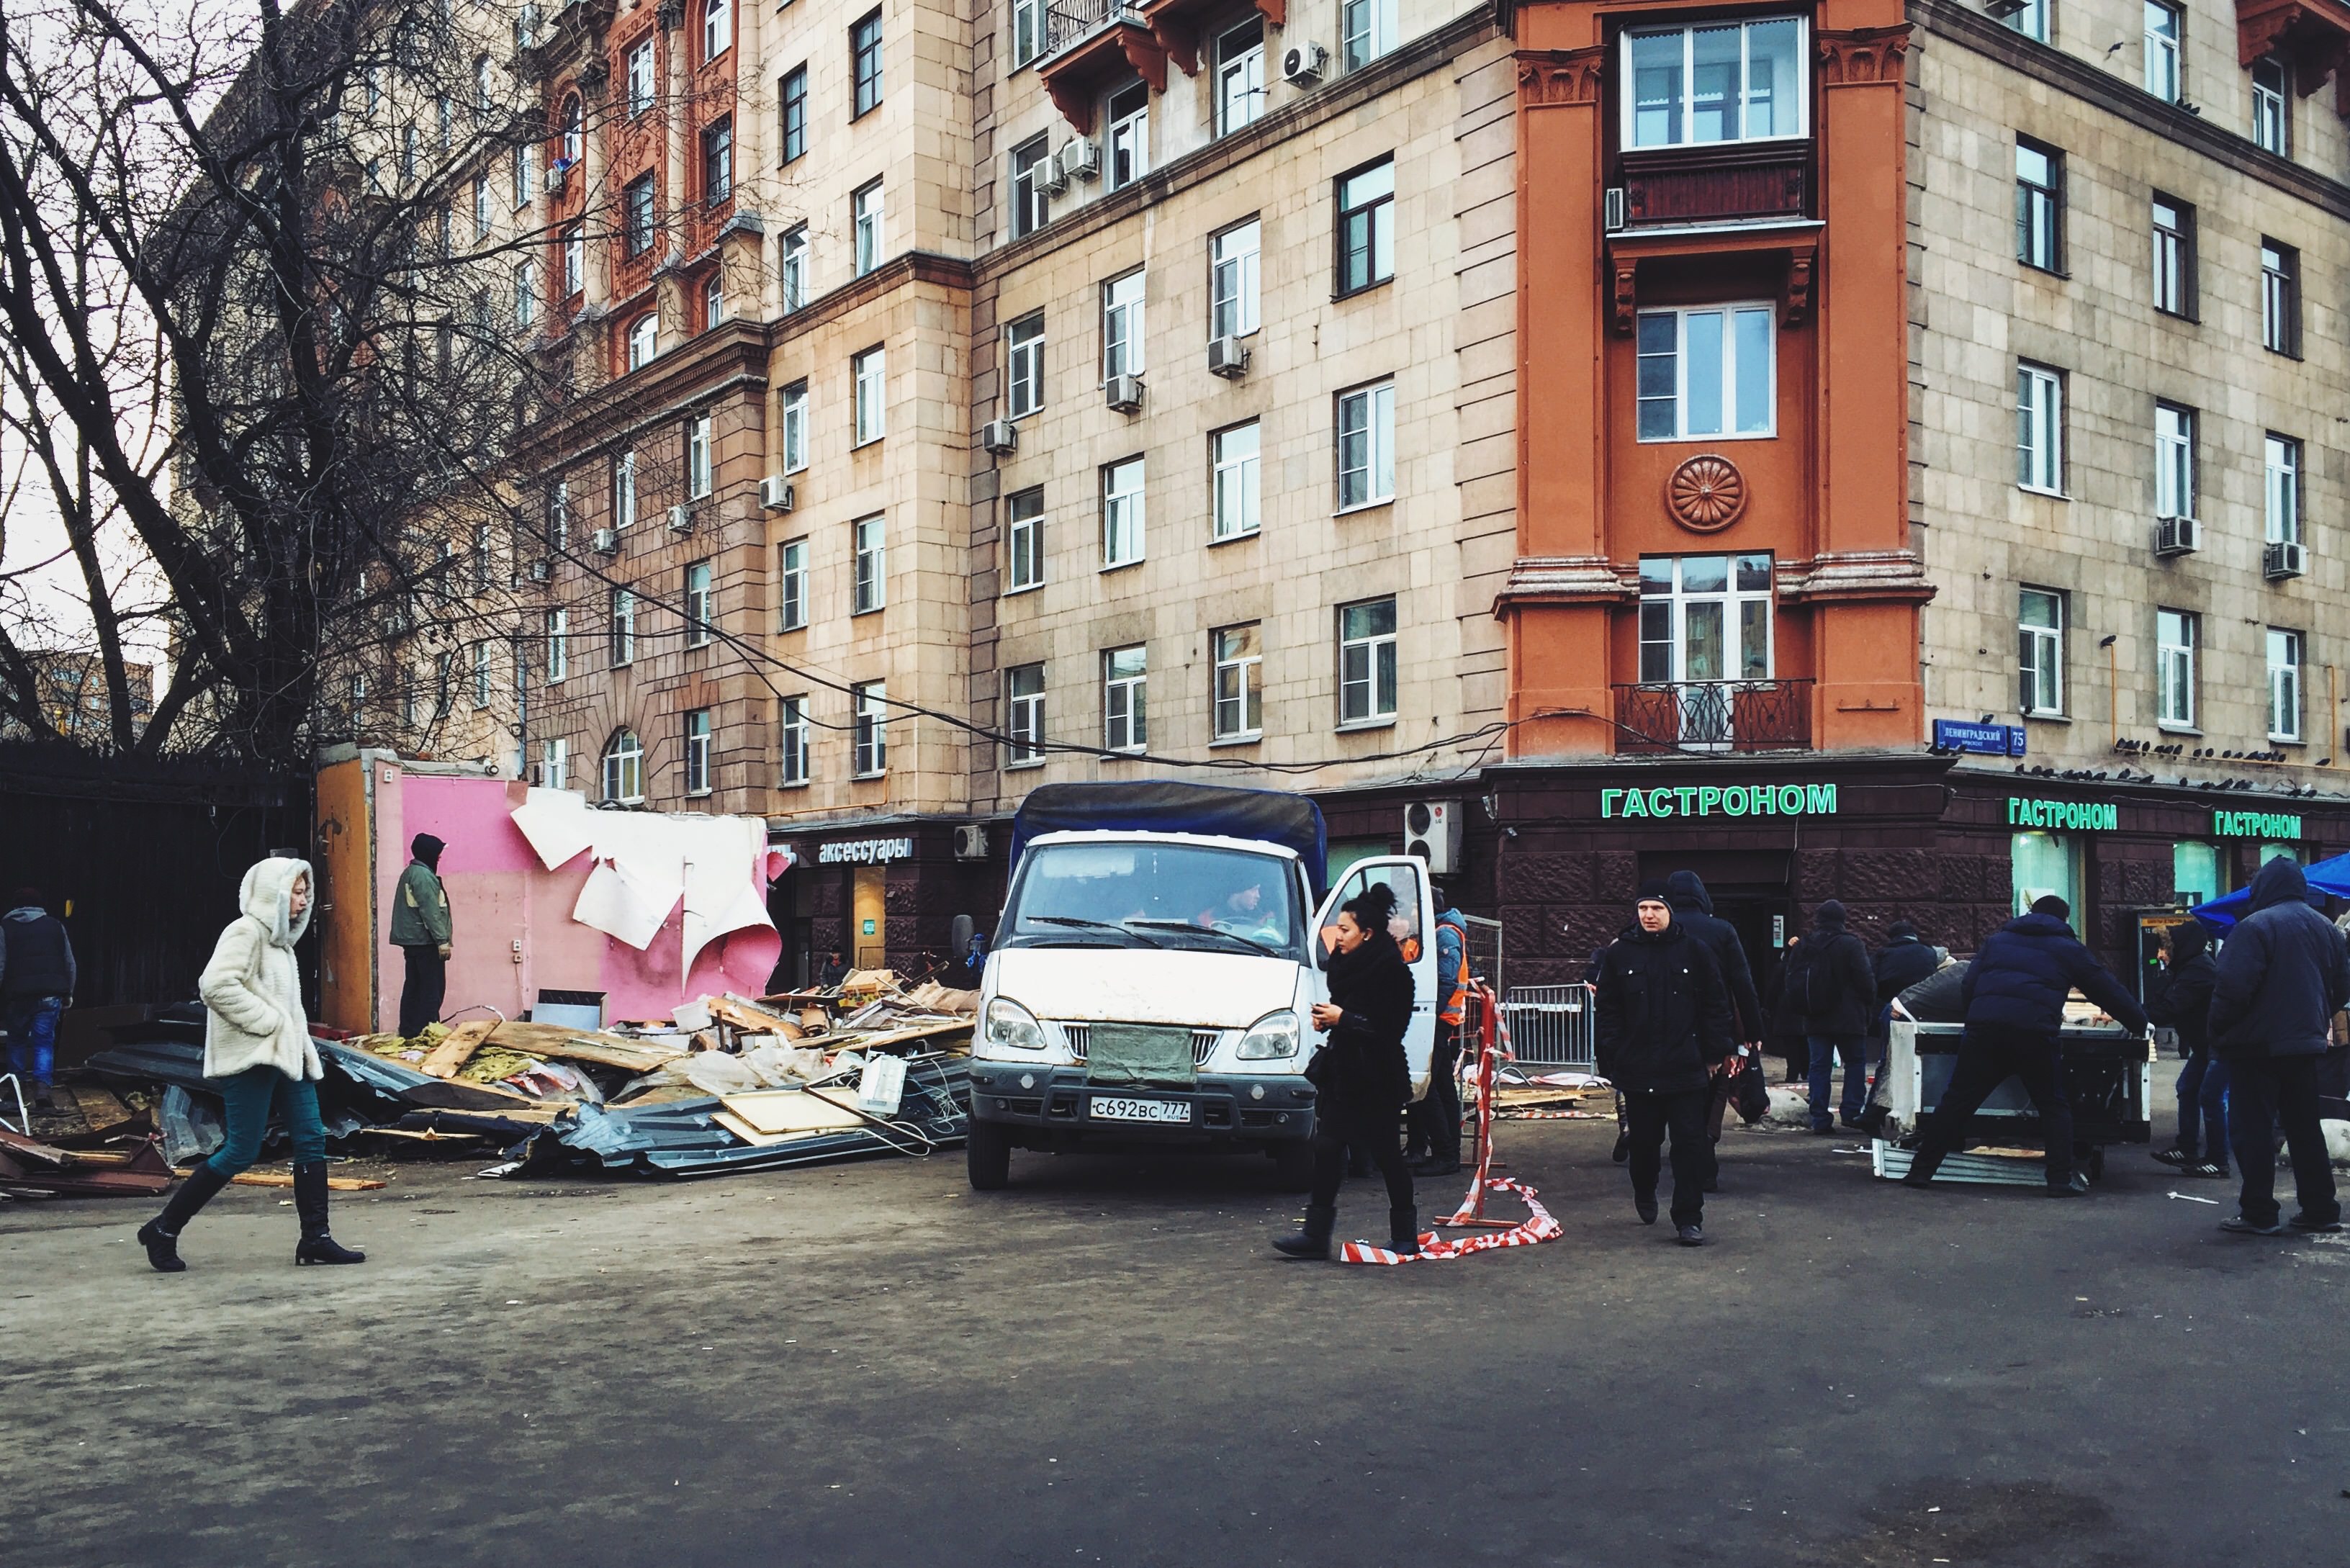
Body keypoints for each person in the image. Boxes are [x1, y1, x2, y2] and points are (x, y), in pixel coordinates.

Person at [135, 857, 365, 1272]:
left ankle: (316, 1238)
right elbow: (216, 985)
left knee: (312, 1141)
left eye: (304, 892)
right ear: (271, 893)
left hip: (287, 1058)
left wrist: (287, 1034)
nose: (302, 900)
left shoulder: (281, 946)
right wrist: (270, 1023)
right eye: (295, 892)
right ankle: (164, 1229)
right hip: (252, 1057)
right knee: (241, 1150)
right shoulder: (244, 932)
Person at [1901, 895, 2147, 1197]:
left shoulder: (1997, 941)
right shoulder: (2068, 948)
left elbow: (1969, 984)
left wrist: (1979, 1014)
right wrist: (2138, 1023)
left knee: (1957, 1103)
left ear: (2030, 913)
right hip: (2033, 1034)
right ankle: (2059, 1180)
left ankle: (1920, 1172)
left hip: (1985, 1032)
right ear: (2064, 920)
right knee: (2053, 1106)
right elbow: (2106, 989)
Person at [1273, 882, 1418, 1261]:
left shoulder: (1393, 971)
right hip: (1344, 1075)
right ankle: (1315, 1236)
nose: (1337, 937)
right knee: (1326, 1147)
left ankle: (1406, 1235)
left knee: (1387, 1155)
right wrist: (1332, 1021)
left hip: (1378, 1078)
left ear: (1367, 934)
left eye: (1345, 930)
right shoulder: (1348, 967)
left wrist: (1345, 1019)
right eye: (1337, 929)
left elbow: (1389, 1031)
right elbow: (1352, 1017)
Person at [2205, 857, 2349, 1236]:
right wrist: (2315, 1016)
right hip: (2304, 1046)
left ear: (2263, 888)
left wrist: (2217, 1031)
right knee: (2304, 1129)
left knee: (2252, 1130)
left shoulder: (2255, 927)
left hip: (2256, 1047)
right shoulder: (2327, 929)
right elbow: (2343, 987)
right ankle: (2321, 1209)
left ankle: (2259, 1212)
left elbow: (2232, 990)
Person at [1592, 880, 1736, 1245]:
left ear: (1670, 911)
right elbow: (1607, 1009)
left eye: (1656, 908)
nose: (1649, 915)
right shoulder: (1620, 954)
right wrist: (1615, 1053)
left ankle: (1689, 1218)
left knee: (1690, 1146)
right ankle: (1645, 1189)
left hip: (1686, 1069)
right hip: (1639, 1070)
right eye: (1643, 909)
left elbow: (1716, 1005)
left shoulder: (1695, 952)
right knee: (1643, 1144)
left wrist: (1715, 1054)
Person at [1663, 872, 1764, 1189]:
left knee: (1674, 1093)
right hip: (1714, 1026)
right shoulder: (1722, 930)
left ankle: (1681, 1154)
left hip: (1667, 1026)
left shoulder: (1662, 927)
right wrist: (1753, 1028)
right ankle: (1705, 1153)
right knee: (1714, 1091)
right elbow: (1743, 983)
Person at [2146, 921, 2227, 1180]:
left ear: (2178, 948)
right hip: (2207, 1045)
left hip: (2221, 1044)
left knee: (2211, 1098)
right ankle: (2187, 1148)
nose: (2159, 955)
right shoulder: (2188, 968)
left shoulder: (2198, 971)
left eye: (2163, 949)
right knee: (2188, 1089)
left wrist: (2131, 1013)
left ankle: (2218, 1161)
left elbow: (2170, 1008)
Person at [1791, 900, 1874, 1133]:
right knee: (1855, 1063)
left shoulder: (1804, 944)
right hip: (1849, 1017)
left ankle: (1819, 1118)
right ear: (1842, 920)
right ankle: (1851, 1112)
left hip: (1815, 1017)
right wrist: (1869, 1004)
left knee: (1819, 1066)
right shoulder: (1851, 944)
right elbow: (1865, 980)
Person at [1408, 896, 1472, 1177]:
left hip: (1438, 1020)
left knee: (1428, 1087)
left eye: (1413, 906)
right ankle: (1446, 1152)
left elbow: (1445, 980)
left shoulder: (1444, 933)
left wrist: (1429, 1015)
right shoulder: (1444, 931)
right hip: (1441, 1019)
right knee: (1442, 1085)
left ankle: (1445, 1154)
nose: (1410, 913)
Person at [0, 886, 76, 1112]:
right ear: (40, 905)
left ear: (16, 906)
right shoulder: (55, 926)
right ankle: (43, 1094)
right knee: (44, 1043)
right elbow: (69, 962)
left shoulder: (5, 928)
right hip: (50, 995)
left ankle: (14, 1095)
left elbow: (0, 965)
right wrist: (68, 993)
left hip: (18, 996)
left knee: (17, 1042)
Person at [390, 832, 451, 1038]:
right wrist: (442, 941)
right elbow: (430, 911)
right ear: (429, 854)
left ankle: (410, 1030)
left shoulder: (411, 872)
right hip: (426, 941)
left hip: (414, 941)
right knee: (431, 990)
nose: (439, 858)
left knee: (415, 987)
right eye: (438, 854)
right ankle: (428, 1031)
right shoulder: (424, 876)